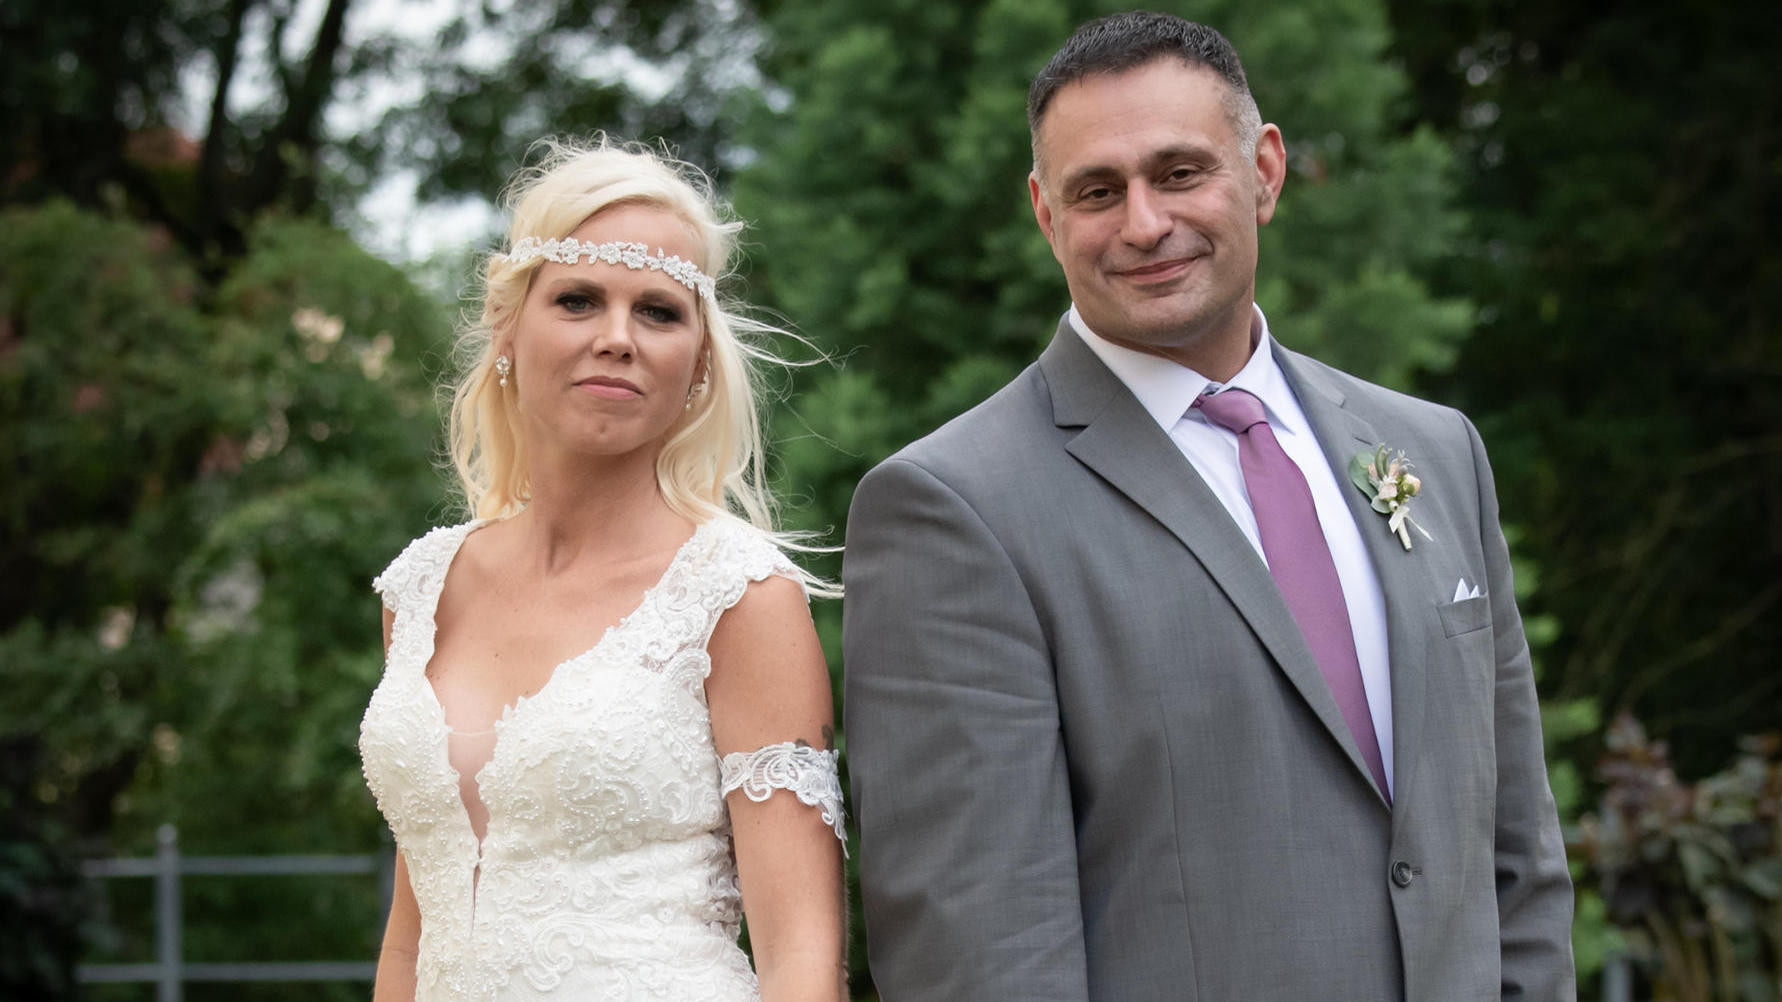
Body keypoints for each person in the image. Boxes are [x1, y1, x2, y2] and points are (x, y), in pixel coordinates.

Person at [843, 12, 1575, 1001]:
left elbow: (1516, 854)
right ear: (1045, 215)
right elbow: (979, 953)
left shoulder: (1435, 453)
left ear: (1264, 171)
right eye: (1097, 191)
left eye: (1180, 173)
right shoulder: (953, 509)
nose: (1144, 223)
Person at [358, 138, 847, 1002]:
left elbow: (802, 956)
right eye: (579, 300)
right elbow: (413, 936)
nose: (617, 338)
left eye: (659, 311)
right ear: (509, 329)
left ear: (698, 360)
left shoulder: (738, 596)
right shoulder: (422, 590)